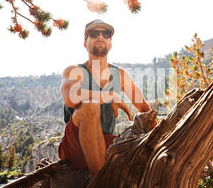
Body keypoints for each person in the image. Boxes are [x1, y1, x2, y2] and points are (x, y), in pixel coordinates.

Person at [59, 19, 153, 176]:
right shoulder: (74, 71)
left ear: (110, 43)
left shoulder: (120, 75)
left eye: (106, 34)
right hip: (76, 145)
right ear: (85, 43)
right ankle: (99, 184)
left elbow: (143, 108)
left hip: (105, 143)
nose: (101, 37)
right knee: (90, 106)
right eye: (94, 33)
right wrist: (108, 96)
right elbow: (70, 97)